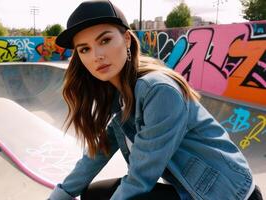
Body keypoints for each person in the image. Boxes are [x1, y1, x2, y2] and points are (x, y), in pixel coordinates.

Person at [48, 0, 263, 199]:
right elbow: (98, 152)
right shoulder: (121, 95)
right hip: (192, 190)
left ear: (126, 39)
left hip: (227, 193)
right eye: (84, 49)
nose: (97, 55)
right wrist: (62, 193)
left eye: (105, 40)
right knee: (96, 194)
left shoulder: (157, 89)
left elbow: (140, 178)